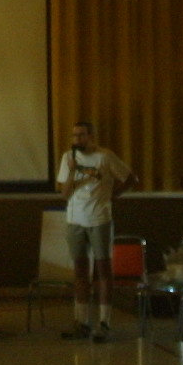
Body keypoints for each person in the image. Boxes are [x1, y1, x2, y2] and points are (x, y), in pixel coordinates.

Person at [56, 121, 133, 341]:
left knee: (103, 271)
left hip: (99, 219)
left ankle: (104, 323)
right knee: (80, 272)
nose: (77, 140)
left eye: (81, 135)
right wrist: (72, 171)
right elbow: (64, 193)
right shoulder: (68, 158)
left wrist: (112, 195)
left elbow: (130, 178)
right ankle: (81, 322)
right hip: (75, 220)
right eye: (74, 136)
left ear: (91, 136)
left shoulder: (104, 157)